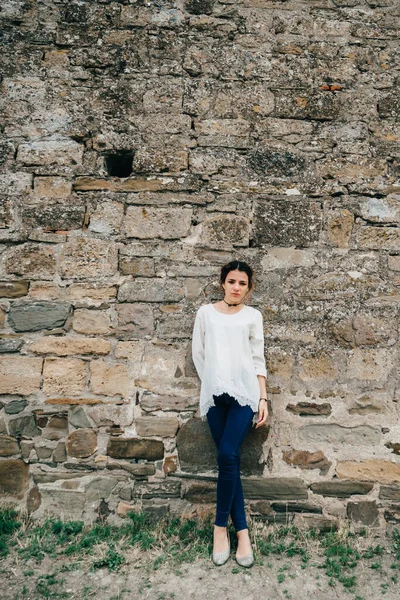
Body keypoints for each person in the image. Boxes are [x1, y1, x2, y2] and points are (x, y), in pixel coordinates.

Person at [192, 260, 268, 568]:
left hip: (245, 396)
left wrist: (263, 398)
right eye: (232, 281)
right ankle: (244, 535)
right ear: (223, 283)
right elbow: (199, 353)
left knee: (227, 454)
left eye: (242, 283)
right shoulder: (205, 314)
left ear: (249, 289)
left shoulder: (253, 316)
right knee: (229, 461)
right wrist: (213, 380)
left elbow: (257, 357)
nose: (236, 287)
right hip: (214, 396)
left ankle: (220, 528)